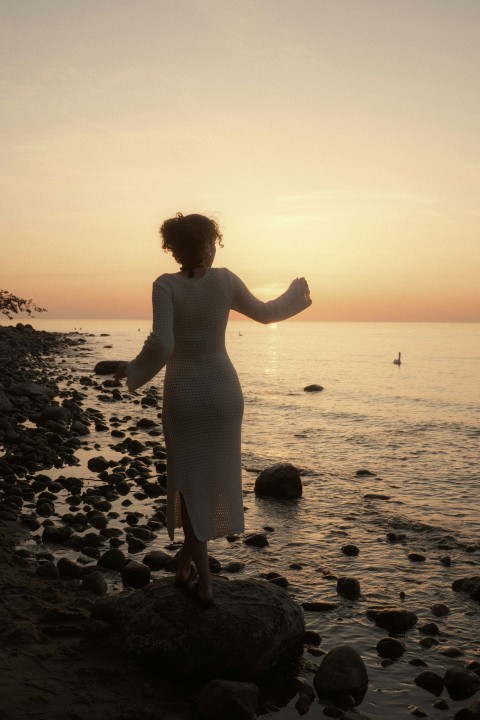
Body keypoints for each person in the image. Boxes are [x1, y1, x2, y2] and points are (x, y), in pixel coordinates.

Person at [115, 213, 311, 606]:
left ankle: (204, 582)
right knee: (213, 478)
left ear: (173, 249)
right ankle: (185, 566)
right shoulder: (225, 280)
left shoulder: (164, 285)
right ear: (210, 244)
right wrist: (296, 294)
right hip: (224, 391)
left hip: (185, 392)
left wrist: (133, 372)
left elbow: (161, 343)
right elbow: (268, 313)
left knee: (187, 485)